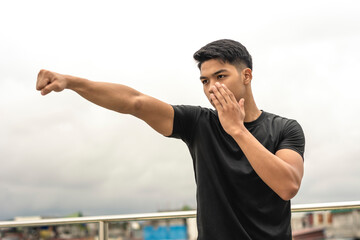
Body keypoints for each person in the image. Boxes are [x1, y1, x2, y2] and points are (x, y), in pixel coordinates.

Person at [36, 39, 305, 239]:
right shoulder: (199, 123)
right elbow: (135, 102)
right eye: (204, 81)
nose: (211, 88)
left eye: (220, 76)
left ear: (246, 75)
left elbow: (287, 186)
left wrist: (237, 129)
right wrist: (70, 82)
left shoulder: (285, 129)